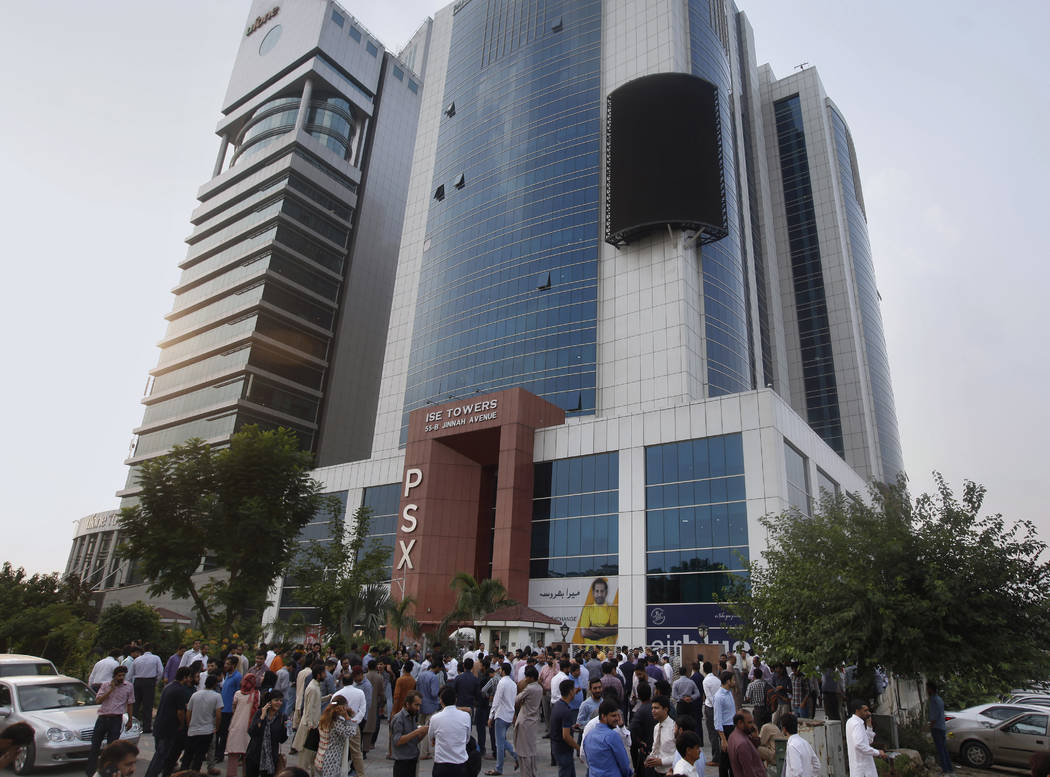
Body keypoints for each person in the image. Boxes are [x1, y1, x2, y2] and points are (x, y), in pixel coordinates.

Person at [145, 667, 196, 777]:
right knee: (161, 757)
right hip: (168, 728)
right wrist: (182, 724)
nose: (190, 680)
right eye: (189, 677)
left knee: (159, 755)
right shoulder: (180, 690)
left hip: (159, 725)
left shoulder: (169, 687)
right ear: (185, 677)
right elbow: (180, 712)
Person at [86, 665, 136, 777]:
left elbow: (130, 704)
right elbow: (98, 700)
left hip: (116, 719)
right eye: (119, 675)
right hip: (103, 718)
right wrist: (110, 690)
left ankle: (110, 772)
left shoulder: (128, 686)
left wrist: (130, 720)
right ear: (114, 676)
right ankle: (91, 772)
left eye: (123, 675)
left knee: (112, 748)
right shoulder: (105, 685)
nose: (121, 677)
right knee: (95, 746)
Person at [183, 674, 224, 772]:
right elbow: (218, 715)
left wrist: (189, 725)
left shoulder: (195, 694)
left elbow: (188, 712)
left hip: (193, 730)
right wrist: (217, 727)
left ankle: (184, 772)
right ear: (215, 685)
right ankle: (196, 772)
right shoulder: (217, 696)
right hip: (207, 730)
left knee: (188, 755)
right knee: (199, 756)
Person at [430, 686, 472, 777]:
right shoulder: (466, 716)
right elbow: (467, 739)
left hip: (441, 764)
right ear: (455, 700)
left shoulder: (435, 718)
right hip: (460, 763)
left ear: (441, 701)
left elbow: (431, 737)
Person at [331, 672, 367, 777]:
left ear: (342, 681)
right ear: (353, 681)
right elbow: (362, 710)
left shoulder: (336, 695)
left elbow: (331, 708)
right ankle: (361, 774)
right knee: (356, 752)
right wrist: (355, 720)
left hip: (339, 725)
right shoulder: (360, 693)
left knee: (339, 751)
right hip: (354, 725)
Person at [583, 700, 632, 777]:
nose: (617, 719)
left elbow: (586, 759)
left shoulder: (589, 735)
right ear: (603, 716)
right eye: (613, 716)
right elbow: (624, 764)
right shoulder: (612, 736)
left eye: (617, 715)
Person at [291, 664, 326, 770]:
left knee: (310, 757)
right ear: (319, 675)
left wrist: (327, 698)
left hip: (312, 725)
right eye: (324, 673)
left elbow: (315, 702)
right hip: (309, 726)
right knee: (305, 757)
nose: (326, 675)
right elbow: (309, 708)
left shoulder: (315, 686)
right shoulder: (312, 688)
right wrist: (311, 725)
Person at [226, 674, 261, 777]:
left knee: (233, 755)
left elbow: (234, 708)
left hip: (236, 726)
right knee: (248, 755)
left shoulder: (238, 693)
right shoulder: (257, 694)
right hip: (249, 728)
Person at [486, 663, 518, 776]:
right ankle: (516, 757)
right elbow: (513, 701)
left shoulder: (502, 682)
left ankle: (499, 768)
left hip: (501, 715)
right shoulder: (513, 684)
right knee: (501, 740)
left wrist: (491, 716)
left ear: (503, 671)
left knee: (499, 743)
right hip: (509, 715)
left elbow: (496, 700)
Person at [245, 691, 287, 777]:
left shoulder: (282, 717)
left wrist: (287, 729)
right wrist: (262, 717)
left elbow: (282, 739)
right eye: (276, 700)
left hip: (271, 758)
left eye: (280, 700)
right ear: (269, 702)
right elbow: (252, 732)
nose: (279, 703)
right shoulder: (260, 713)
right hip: (254, 755)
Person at [513, 666, 542, 777]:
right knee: (531, 750)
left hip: (524, 720)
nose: (525, 679)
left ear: (531, 678)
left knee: (523, 751)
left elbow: (516, 699)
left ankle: (526, 774)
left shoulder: (530, 688)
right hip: (533, 721)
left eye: (527, 677)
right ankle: (532, 772)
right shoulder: (539, 688)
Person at [391, 690, 429, 777]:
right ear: (407, 704)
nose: (418, 708)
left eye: (419, 705)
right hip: (402, 763)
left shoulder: (412, 716)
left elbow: (414, 740)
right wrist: (417, 732)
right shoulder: (399, 719)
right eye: (416, 705)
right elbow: (398, 741)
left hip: (412, 760)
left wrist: (423, 732)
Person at [845, 700, 884, 777]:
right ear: (857, 711)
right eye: (865, 710)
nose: (868, 713)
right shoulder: (857, 724)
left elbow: (867, 741)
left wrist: (869, 726)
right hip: (863, 770)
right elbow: (859, 745)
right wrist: (877, 752)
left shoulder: (852, 722)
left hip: (860, 769)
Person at [314, 700, 353, 777]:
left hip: (321, 756)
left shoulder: (324, 719)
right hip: (332, 759)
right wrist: (347, 718)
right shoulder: (337, 722)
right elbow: (351, 732)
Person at [132, 644, 164, 734]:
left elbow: (132, 673)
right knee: (148, 705)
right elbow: (161, 671)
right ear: (151, 649)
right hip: (149, 681)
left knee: (136, 705)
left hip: (138, 681)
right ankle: (146, 727)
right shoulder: (156, 658)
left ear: (143, 650)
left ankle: (133, 726)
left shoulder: (137, 659)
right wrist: (156, 681)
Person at [550, 679, 580, 777]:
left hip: (557, 747)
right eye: (574, 689)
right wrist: (578, 747)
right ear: (571, 692)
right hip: (563, 750)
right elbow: (566, 736)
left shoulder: (558, 705)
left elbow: (559, 726)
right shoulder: (566, 711)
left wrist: (571, 727)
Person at [926, 682, 955, 776]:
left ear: (930, 689)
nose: (926, 690)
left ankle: (946, 770)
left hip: (937, 728)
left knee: (941, 750)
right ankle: (950, 769)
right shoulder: (939, 699)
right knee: (944, 749)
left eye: (927, 688)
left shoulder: (933, 700)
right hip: (941, 727)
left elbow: (934, 716)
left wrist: (929, 727)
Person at [645, 695, 677, 777]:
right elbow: (655, 748)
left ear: (665, 710)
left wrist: (661, 761)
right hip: (656, 771)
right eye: (652, 708)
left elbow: (680, 755)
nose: (653, 711)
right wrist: (649, 759)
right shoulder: (656, 727)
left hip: (671, 772)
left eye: (656, 708)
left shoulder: (674, 728)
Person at [579, 578, 618, 644]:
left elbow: (615, 629)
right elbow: (584, 633)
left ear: (606, 592)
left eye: (602, 591)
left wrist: (596, 629)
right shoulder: (587, 609)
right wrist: (605, 631)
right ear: (593, 593)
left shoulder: (612, 608)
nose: (599, 594)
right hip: (590, 651)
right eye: (597, 591)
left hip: (607, 651)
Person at [417, 661, 443, 760]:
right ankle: (424, 753)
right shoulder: (434, 678)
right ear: (437, 667)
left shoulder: (421, 675)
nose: (440, 671)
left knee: (420, 728)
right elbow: (434, 693)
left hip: (421, 704)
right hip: (431, 706)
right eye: (440, 669)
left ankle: (420, 750)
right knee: (427, 729)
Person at [714, 672, 737, 777]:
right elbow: (718, 719)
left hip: (733, 728)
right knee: (724, 760)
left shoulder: (729, 692)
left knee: (733, 759)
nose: (734, 682)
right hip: (725, 729)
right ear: (728, 681)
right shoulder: (719, 696)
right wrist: (723, 739)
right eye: (733, 680)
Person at [727, 711, 764, 777]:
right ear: (740, 723)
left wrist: (755, 737)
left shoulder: (734, 735)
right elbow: (749, 771)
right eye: (749, 722)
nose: (753, 725)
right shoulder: (742, 744)